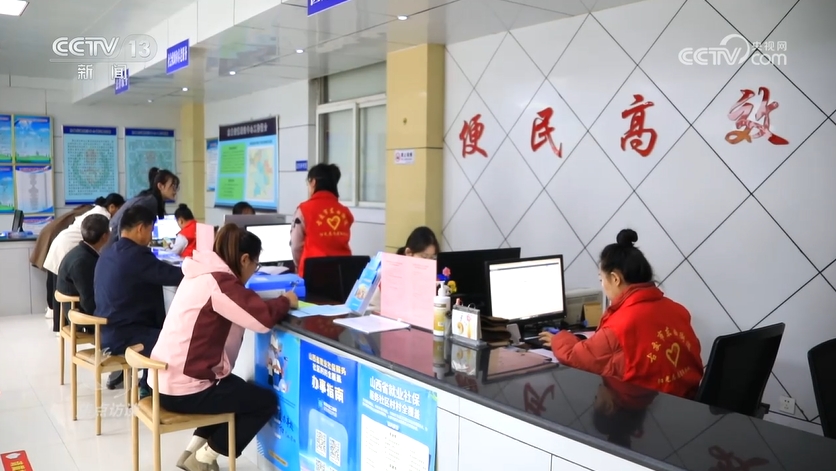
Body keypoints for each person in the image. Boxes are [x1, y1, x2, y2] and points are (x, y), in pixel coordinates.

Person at [151, 224, 297, 471]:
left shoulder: (199, 273)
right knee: (264, 402)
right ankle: (203, 458)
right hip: (185, 389)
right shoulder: (220, 282)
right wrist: (286, 300)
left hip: (165, 381)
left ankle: (192, 450)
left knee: (235, 389)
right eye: (255, 265)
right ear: (244, 259)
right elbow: (262, 320)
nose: (252, 272)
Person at [539, 229, 704, 399]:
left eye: (601, 279)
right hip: (689, 403)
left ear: (615, 278)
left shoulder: (620, 325)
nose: (602, 285)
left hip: (649, 406)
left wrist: (558, 339)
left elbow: (575, 356)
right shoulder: (677, 309)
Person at [94, 205, 183, 394]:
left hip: (106, 332)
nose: (151, 237)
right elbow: (172, 275)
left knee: (160, 330)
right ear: (141, 228)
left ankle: (147, 384)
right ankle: (150, 389)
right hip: (125, 336)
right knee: (176, 341)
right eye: (151, 231)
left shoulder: (108, 252)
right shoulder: (136, 255)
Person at [44, 194, 125, 331]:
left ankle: (59, 326)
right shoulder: (102, 217)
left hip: (64, 243)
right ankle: (61, 326)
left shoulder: (96, 213)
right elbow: (89, 300)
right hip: (66, 245)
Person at [30, 203, 94, 320]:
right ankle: (53, 310)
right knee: (56, 282)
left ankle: (51, 310)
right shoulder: (89, 214)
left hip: (54, 240)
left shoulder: (81, 211)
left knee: (53, 279)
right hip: (57, 242)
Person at [291, 163, 354, 277]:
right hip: (343, 272)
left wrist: (299, 267)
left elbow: (296, 246)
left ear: (313, 182)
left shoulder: (304, 210)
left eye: (308, 182)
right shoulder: (344, 212)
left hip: (314, 273)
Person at [55, 215, 111, 329]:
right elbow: (89, 302)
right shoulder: (82, 262)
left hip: (76, 311)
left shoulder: (81, 253)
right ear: (105, 236)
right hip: (81, 318)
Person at [369, 226, 440, 311]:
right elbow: (371, 310)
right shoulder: (388, 276)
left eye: (432, 258)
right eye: (424, 257)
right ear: (409, 253)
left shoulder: (434, 281)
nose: (428, 263)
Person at [106, 167, 179, 247]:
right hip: (115, 243)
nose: (175, 190)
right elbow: (123, 223)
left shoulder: (150, 199)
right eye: (173, 186)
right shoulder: (149, 202)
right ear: (160, 186)